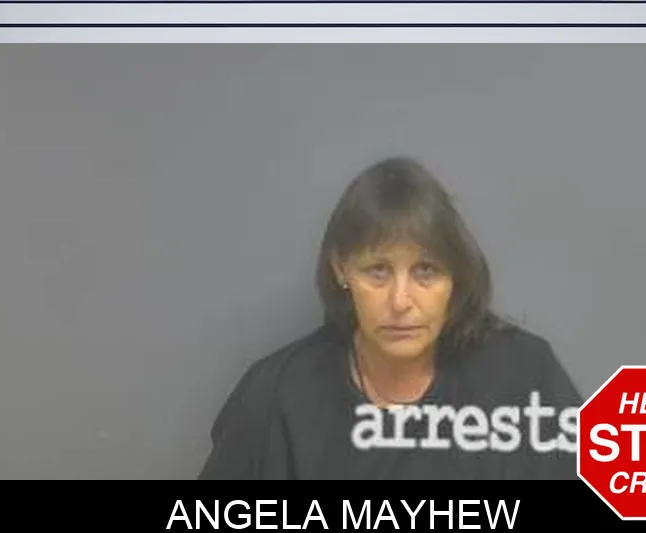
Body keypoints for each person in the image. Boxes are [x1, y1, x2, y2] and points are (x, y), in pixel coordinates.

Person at [198, 157, 583, 480]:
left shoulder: (526, 378)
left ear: (455, 275)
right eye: (378, 271)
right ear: (341, 269)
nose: (401, 301)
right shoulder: (276, 396)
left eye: (426, 271)